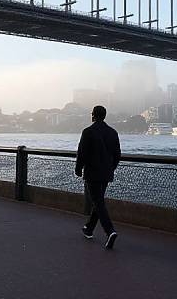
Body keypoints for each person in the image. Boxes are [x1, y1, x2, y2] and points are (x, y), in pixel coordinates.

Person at [75, 105, 121, 249]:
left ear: (93, 115)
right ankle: (89, 228)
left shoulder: (88, 132)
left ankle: (110, 232)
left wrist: (78, 168)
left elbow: (82, 152)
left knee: (98, 202)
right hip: (106, 173)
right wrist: (111, 167)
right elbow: (117, 154)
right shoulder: (113, 132)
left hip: (92, 173)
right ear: (105, 116)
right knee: (98, 201)